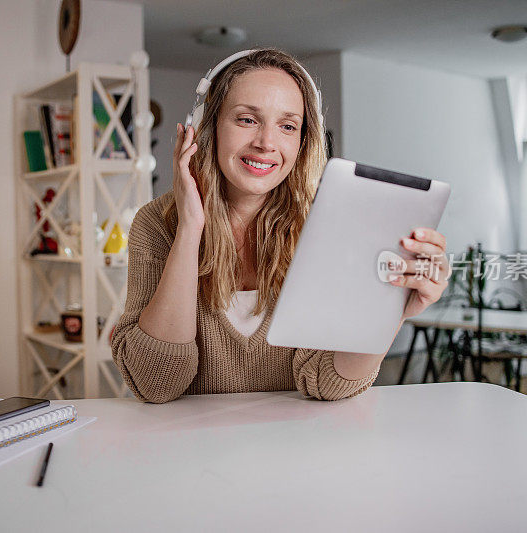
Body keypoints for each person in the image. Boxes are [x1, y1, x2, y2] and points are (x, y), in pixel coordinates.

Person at [111, 48, 449, 403]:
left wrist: (390, 310)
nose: (266, 143)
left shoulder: (322, 228)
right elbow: (156, 383)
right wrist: (190, 229)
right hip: (188, 451)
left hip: (294, 450)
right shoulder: (156, 224)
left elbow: (326, 382)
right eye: (247, 120)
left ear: (303, 142)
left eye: (287, 126)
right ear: (207, 126)